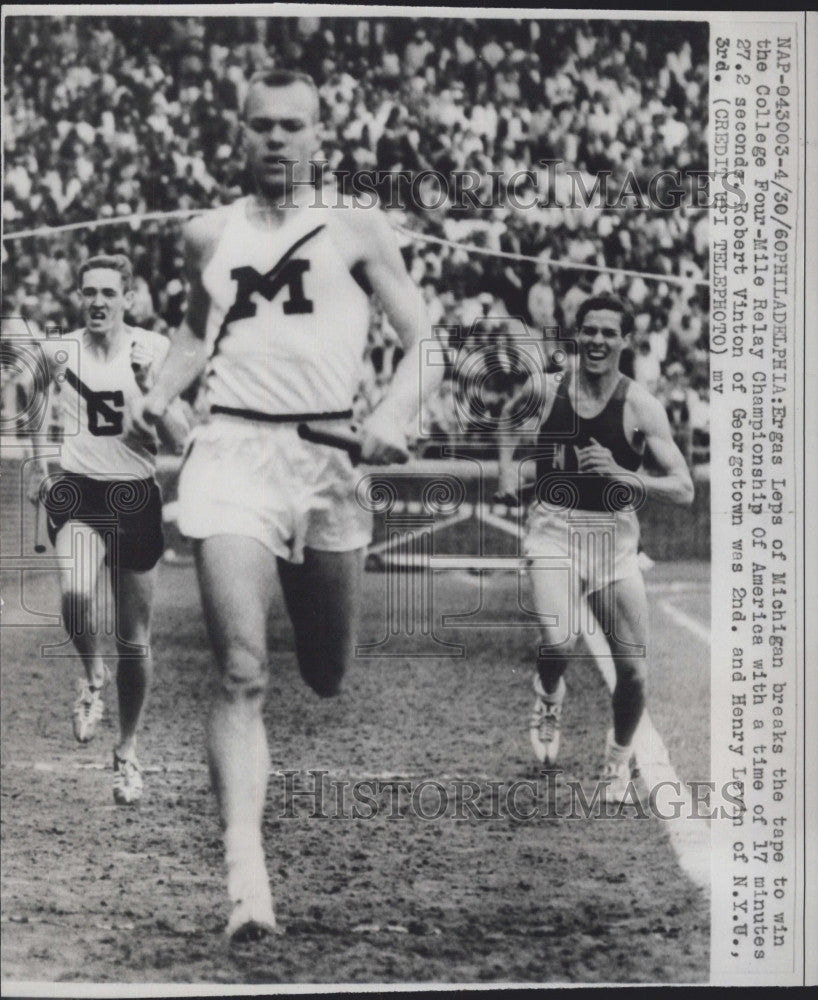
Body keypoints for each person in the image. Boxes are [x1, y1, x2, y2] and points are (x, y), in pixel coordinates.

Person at [127, 69, 435, 941]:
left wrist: (392, 411)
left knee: (327, 673)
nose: (275, 140)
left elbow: (426, 345)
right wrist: (164, 387)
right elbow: (197, 333)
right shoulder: (206, 233)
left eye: (291, 126)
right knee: (240, 671)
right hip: (231, 454)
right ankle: (246, 886)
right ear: (238, 133)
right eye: (259, 125)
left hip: (330, 459)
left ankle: (250, 869)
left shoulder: (357, 227)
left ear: (318, 137)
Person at [497, 294, 694, 802]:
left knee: (633, 672)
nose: (598, 341)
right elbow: (506, 419)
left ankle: (616, 764)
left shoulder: (639, 404)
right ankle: (548, 697)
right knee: (560, 642)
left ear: (626, 340)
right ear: (576, 335)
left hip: (613, 538)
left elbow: (684, 488)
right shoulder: (546, 389)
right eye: (590, 331)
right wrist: (504, 472)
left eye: (609, 332)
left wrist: (624, 475)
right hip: (554, 528)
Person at [26, 253, 188, 805]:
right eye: (89, 291)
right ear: (79, 295)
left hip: (135, 492)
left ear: (128, 297)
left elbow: (181, 435)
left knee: (135, 641)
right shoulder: (59, 350)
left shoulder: (155, 350)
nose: (98, 301)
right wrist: (39, 465)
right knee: (74, 591)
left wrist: (151, 387)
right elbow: (34, 412)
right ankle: (91, 678)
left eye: (108, 293)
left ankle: (128, 751)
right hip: (79, 488)